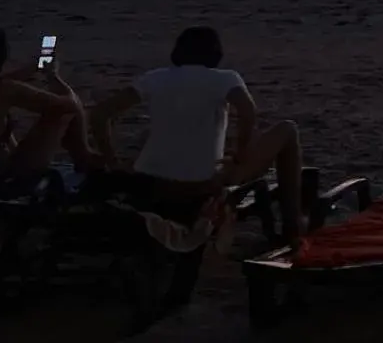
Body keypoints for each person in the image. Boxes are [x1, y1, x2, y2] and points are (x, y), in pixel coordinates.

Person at [91, 27, 306, 242]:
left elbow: (101, 114)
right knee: (287, 129)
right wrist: (240, 155)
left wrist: (113, 161)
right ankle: (292, 227)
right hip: (199, 187)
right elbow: (247, 110)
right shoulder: (225, 78)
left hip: (151, 184)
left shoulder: (155, 78)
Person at [0, 25, 97, 195]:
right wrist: (53, 76)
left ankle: (84, 156)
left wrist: (30, 70)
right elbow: (69, 105)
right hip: (2, 179)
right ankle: (84, 157)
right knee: (62, 112)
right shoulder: (4, 90)